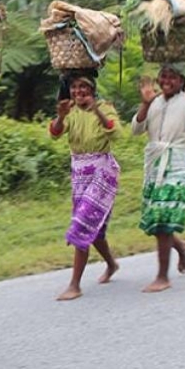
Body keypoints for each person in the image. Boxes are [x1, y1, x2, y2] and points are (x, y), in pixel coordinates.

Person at [132, 63, 185, 293]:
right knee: (157, 222)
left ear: (181, 81)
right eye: (163, 77)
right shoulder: (154, 101)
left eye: (172, 77)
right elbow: (136, 129)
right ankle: (181, 248)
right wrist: (145, 103)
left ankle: (162, 276)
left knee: (163, 219)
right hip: (155, 165)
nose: (166, 81)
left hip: (177, 164)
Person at [49, 71, 121, 301]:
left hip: (102, 172)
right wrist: (60, 117)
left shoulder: (105, 107)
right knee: (94, 228)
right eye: (74, 87)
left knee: (82, 224)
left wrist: (96, 110)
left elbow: (116, 132)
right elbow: (54, 133)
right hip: (79, 174)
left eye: (83, 87)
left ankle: (74, 284)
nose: (78, 92)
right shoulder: (69, 111)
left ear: (92, 90)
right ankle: (111, 264)